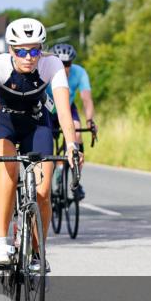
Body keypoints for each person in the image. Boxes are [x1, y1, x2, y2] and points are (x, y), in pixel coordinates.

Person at [0, 18, 81, 270]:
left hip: (36, 121)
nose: (28, 57)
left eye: (34, 50)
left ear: (42, 49)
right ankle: (1, 244)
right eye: (21, 51)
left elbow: (64, 110)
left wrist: (71, 145)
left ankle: (37, 252)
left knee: (44, 191)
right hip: (3, 121)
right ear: (10, 49)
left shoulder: (52, 64)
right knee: (8, 173)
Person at [45, 43, 97, 200]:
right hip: (46, 108)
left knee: (77, 130)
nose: (65, 68)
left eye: (67, 64)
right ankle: (49, 174)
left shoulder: (80, 72)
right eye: (61, 63)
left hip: (67, 107)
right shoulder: (46, 70)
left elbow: (86, 99)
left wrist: (90, 120)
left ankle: (76, 176)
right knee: (45, 140)